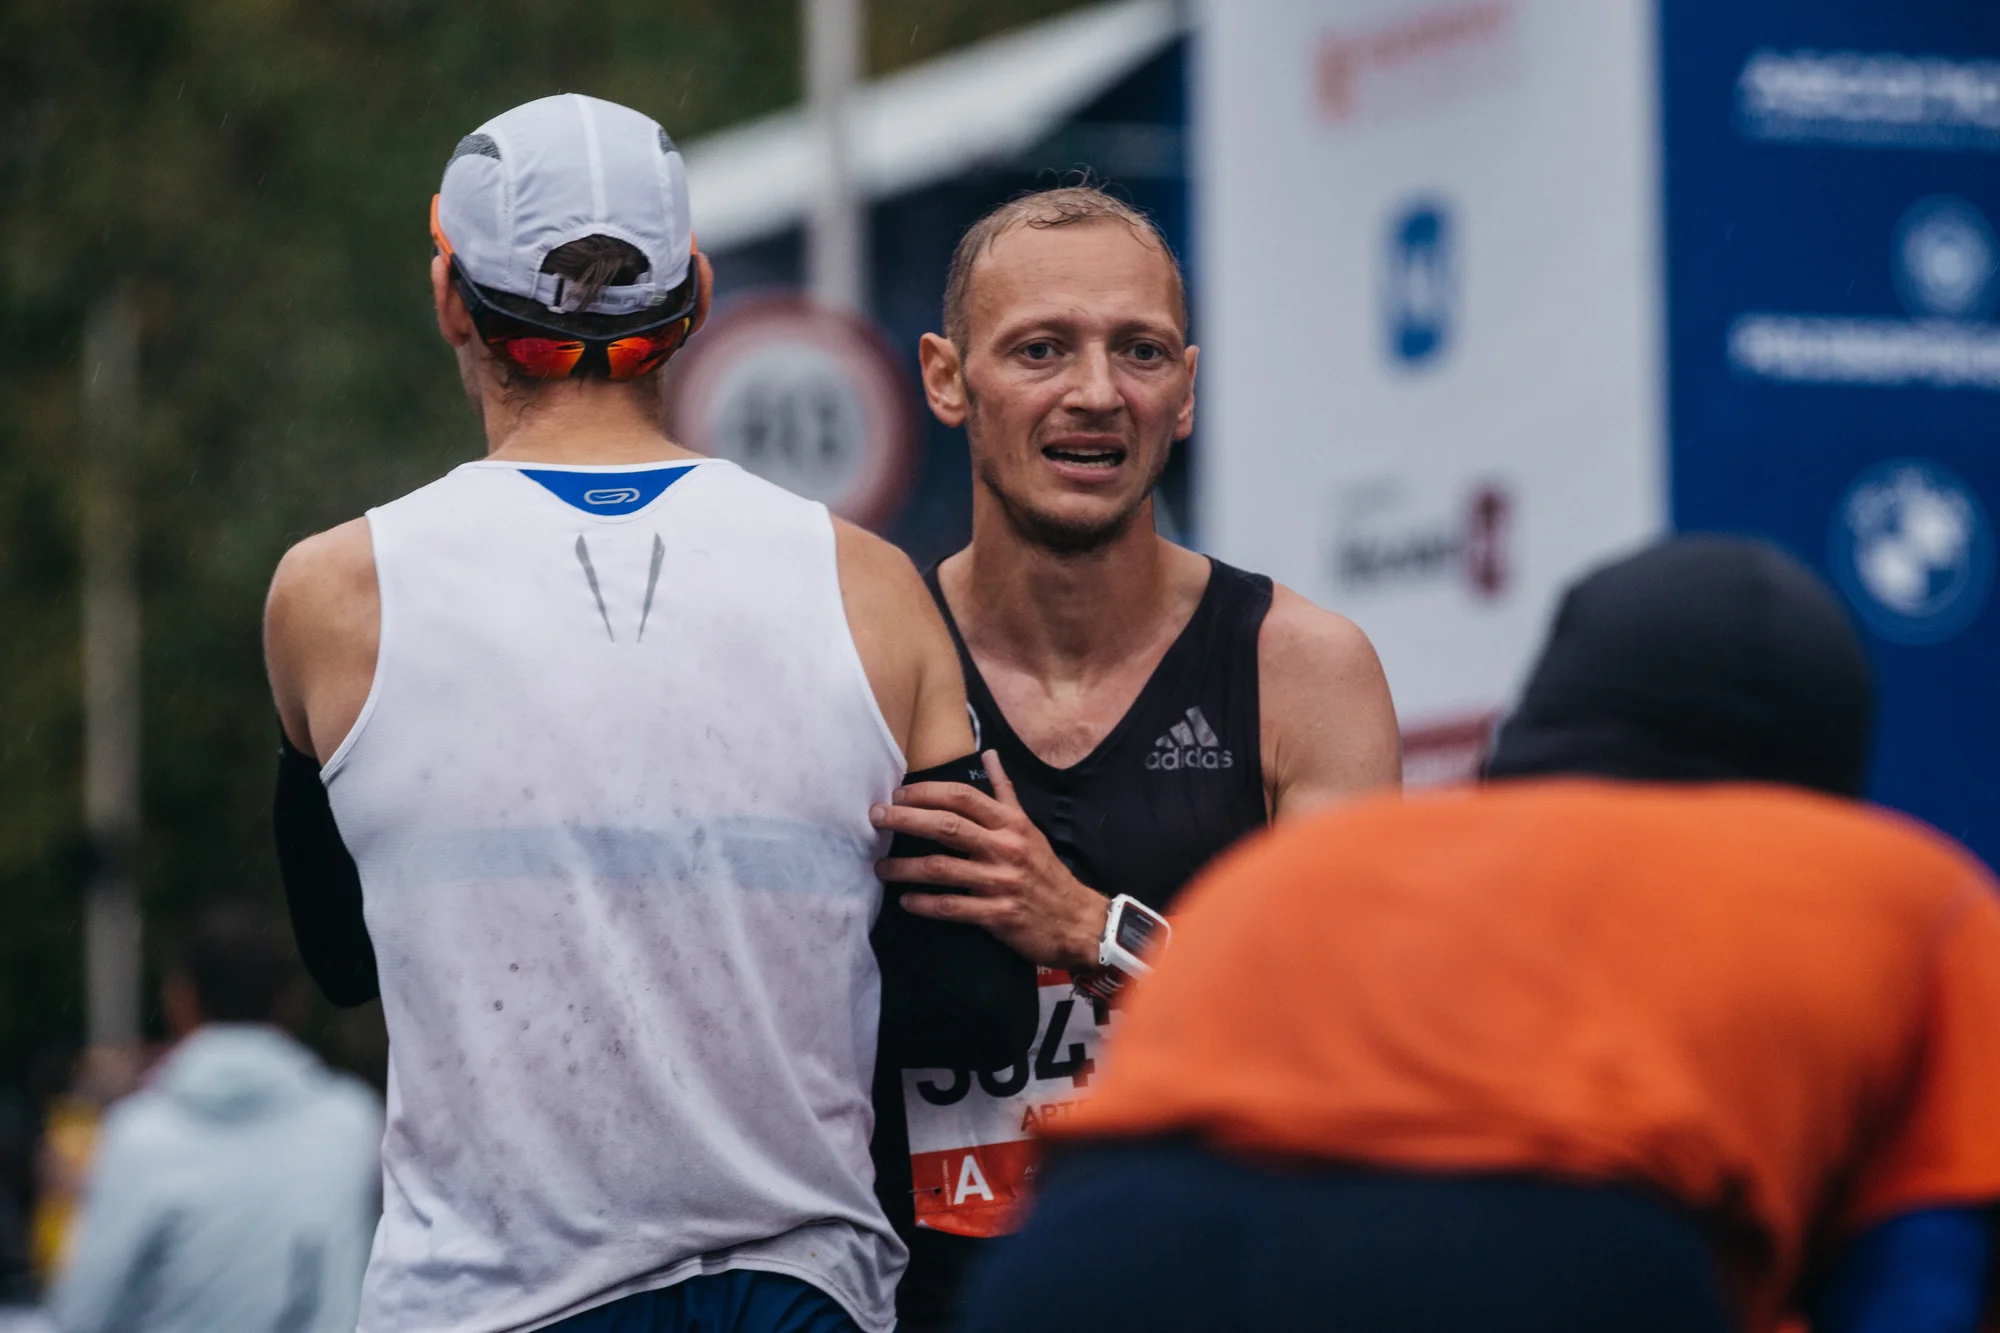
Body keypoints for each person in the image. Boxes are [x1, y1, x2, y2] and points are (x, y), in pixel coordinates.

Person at [262, 94, 1018, 1333]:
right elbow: (975, 1007)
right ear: (698, 297)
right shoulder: (872, 584)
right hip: (795, 1297)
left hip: (483, 1302)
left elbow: (343, 963)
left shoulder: (332, 592)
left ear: (452, 296)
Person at [962, 536, 2000, 1333]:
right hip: (1543, 1250)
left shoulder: (1323, 862)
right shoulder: (1904, 889)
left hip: (1094, 1255)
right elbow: (1922, 1273)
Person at [862, 186, 1403, 1329]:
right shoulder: (857, 658)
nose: (1096, 393)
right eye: (1041, 349)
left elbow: (1344, 1052)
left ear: (1187, 389)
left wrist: (1085, 929)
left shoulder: (1299, 672)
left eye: (1139, 350)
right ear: (946, 378)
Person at [47, 905, 381, 1333]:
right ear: (291, 1003)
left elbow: (83, 1313)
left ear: (179, 1000)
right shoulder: (353, 1123)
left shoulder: (141, 1136)